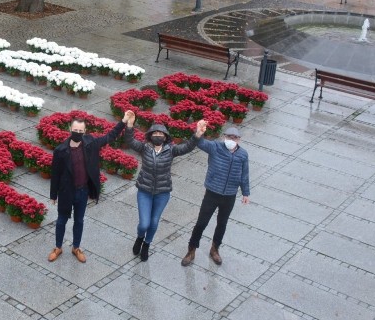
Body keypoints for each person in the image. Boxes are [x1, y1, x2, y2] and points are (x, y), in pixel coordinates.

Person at [124, 112, 207, 261]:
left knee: (154, 221)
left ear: (165, 136)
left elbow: (187, 147)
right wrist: (129, 125)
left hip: (162, 193)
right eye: (155, 133)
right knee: (144, 224)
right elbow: (130, 141)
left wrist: (197, 134)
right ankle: (140, 237)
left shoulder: (171, 150)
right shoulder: (145, 148)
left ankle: (147, 244)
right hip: (144, 191)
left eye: (160, 133)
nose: (157, 135)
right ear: (150, 136)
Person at [49, 112, 131, 263]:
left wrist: (124, 121)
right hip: (67, 192)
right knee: (61, 221)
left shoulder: (90, 143)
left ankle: (76, 248)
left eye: (81, 131)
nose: (78, 133)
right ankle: (58, 247)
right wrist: (53, 195)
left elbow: (109, 137)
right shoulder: (60, 151)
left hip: (82, 191)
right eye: (75, 130)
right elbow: (55, 174)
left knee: (79, 221)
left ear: (85, 132)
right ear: (70, 129)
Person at [181, 126, 250, 267]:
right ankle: (191, 250)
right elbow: (199, 143)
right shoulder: (215, 147)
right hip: (212, 193)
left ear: (239, 140)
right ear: (224, 137)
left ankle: (215, 249)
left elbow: (244, 174)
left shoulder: (243, 155)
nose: (231, 140)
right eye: (229, 137)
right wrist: (198, 133)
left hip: (229, 195)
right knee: (201, 223)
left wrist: (245, 193)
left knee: (222, 224)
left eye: (234, 138)